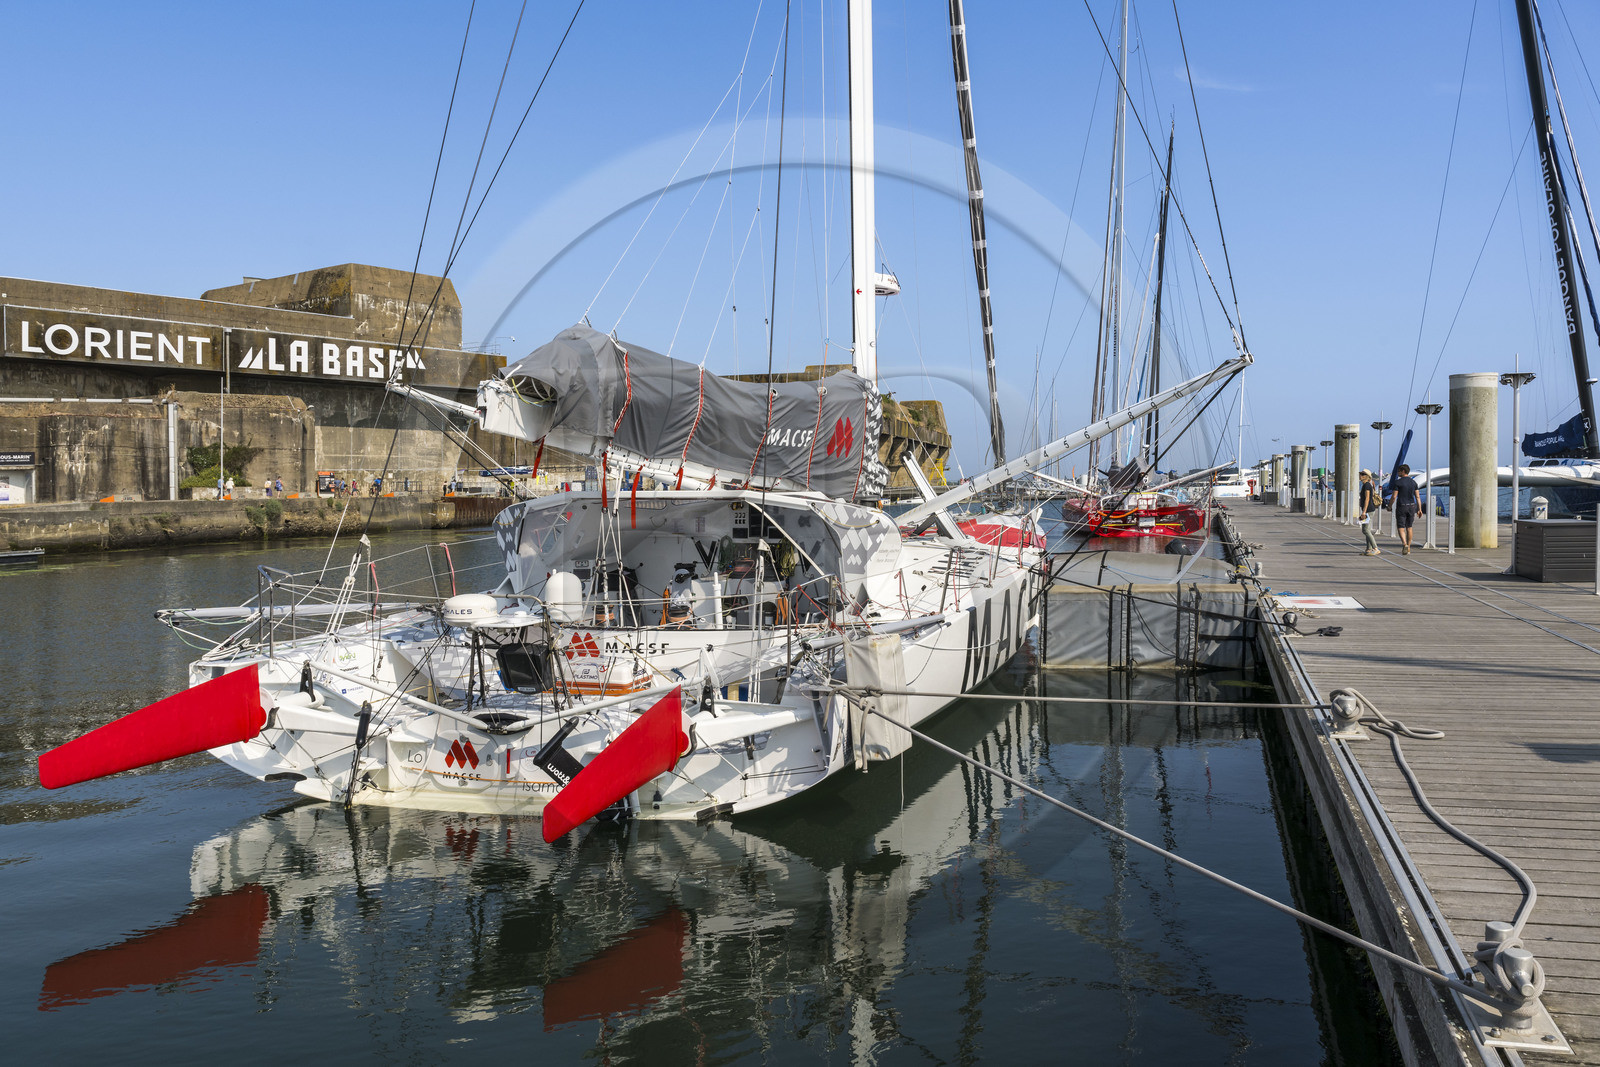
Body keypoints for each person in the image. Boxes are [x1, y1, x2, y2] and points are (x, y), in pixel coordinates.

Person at [1391, 463, 1422, 554]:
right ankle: (1408, 547)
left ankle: (1405, 544)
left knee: (1401, 527)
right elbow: (1417, 497)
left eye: (1399, 471)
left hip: (1402, 506)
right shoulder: (1414, 483)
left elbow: (1394, 496)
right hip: (1412, 506)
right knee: (1409, 527)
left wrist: (1389, 506)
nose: (1398, 473)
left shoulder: (1398, 482)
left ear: (1403, 471)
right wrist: (1419, 509)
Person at [1357, 469, 1381, 555]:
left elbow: (1367, 499)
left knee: (1365, 530)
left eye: (1363, 474)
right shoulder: (1365, 485)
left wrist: (1364, 512)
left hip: (1368, 510)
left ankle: (1375, 548)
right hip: (1368, 510)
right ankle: (1368, 549)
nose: (1360, 475)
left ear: (1367, 477)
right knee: (1367, 529)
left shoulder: (1367, 485)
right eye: (1360, 473)